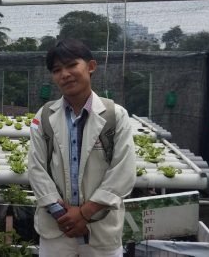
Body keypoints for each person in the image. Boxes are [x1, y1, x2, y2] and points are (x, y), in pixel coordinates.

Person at [28, 38, 136, 257]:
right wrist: (63, 215)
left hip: (100, 228)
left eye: (71, 65)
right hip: (57, 228)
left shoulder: (115, 115)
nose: (64, 74)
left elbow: (123, 171)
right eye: (57, 70)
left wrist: (85, 213)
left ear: (91, 66)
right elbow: (36, 168)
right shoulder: (45, 116)